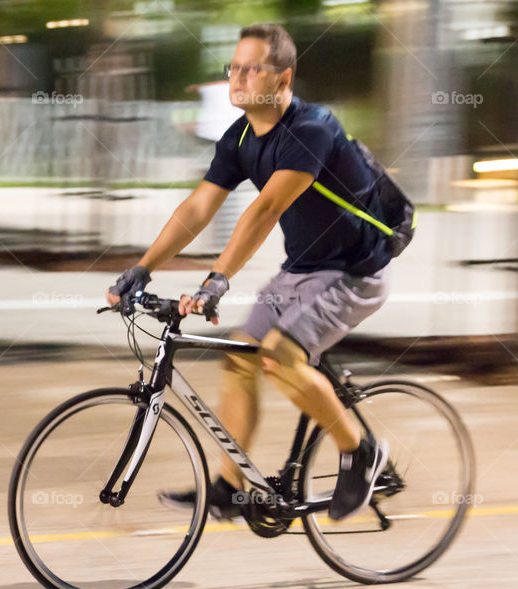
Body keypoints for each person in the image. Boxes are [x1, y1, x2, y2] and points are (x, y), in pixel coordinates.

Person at [107, 23, 392, 522]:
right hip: (300, 269)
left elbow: (264, 210)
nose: (237, 77)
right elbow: (197, 209)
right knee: (240, 358)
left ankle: (361, 452)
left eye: (250, 68)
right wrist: (143, 267)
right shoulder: (239, 137)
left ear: (283, 79)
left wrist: (218, 278)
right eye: (233, 67)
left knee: (280, 357)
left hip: (354, 271)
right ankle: (230, 488)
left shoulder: (311, 128)